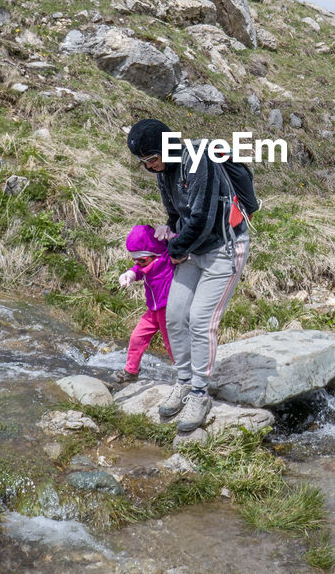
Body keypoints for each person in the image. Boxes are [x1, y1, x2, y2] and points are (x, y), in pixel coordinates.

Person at [127, 118, 250, 433]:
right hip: (193, 249)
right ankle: (183, 381)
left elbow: (204, 217)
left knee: (200, 320)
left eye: (152, 159)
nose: (149, 167)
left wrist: (175, 249)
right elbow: (176, 213)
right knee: (175, 314)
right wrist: (170, 229)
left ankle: (199, 392)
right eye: (143, 163)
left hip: (224, 247)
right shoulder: (164, 172)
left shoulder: (197, 159)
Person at [110, 224, 174, 386]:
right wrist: (130, 275)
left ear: (155, 253)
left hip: (168, 310)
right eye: (135, 260)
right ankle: (131, 371)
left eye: (142, 260)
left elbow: (177, 246)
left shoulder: (167, 260)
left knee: (172, 344)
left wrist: (170, 234)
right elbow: (138, 270)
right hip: (153, 311)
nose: (139, 263)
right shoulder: (144, 264)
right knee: (137, 338)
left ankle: (185, 374)